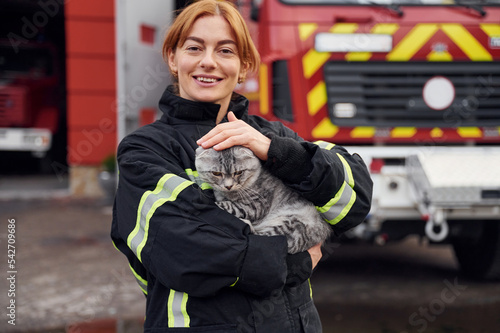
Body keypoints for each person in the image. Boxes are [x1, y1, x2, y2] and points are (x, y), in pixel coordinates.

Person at [111, 1, 373, 332]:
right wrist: (295, 261)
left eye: (225, 50)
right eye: (194, 48)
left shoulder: (273, 136)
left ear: (244, 65)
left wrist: (277, 152)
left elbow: (354, 201)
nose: (208, 62)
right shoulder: (145, 150)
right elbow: (186, 251)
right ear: (173, 59)